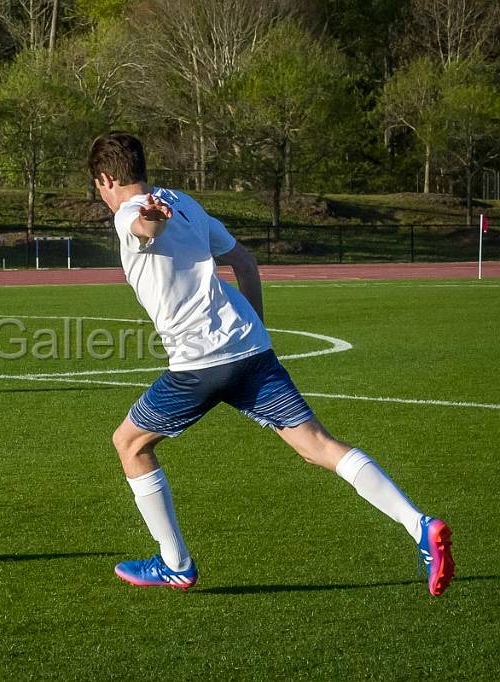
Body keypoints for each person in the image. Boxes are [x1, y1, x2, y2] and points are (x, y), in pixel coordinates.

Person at [87, 131, 453, 596]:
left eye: (97, 187)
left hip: (198, 364)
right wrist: (255, 335)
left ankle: (175, 564)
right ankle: (418, 524)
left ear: (105, 179)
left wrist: (150, 221)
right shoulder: (184, 202)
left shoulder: (128, 214)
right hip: (250, 350)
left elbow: (143, 227)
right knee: (319, 445)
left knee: (130, 443)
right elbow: (244, 262)